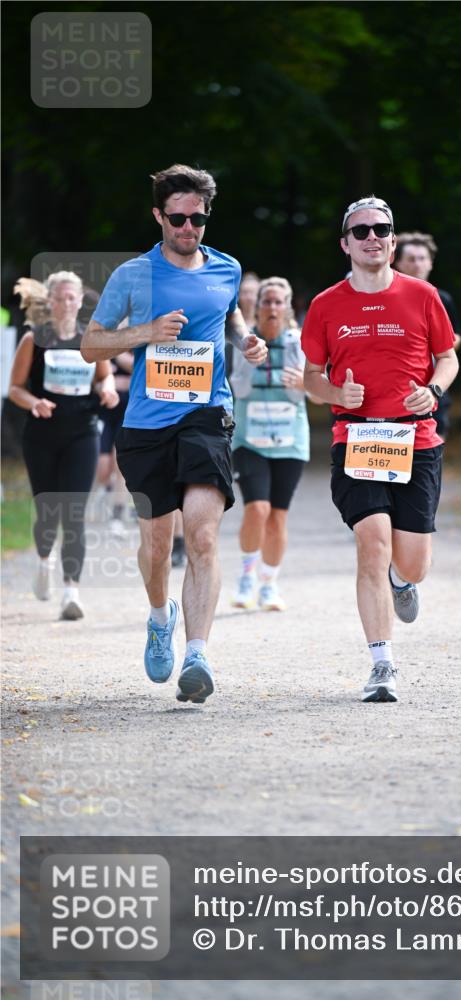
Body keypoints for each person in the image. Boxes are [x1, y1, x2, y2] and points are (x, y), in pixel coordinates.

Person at [81, 164, 267, 705]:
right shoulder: (134, 275)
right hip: (145, 424)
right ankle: (159, 617)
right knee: (157, 544)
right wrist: (145, 333)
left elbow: (230, 321)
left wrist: (247, 341)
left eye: (198, 218)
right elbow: (92, 345)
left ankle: (198, 653)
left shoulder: (228, 268)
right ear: (159, 216)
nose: (189, 228)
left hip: (207, 414)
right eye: (179, 218)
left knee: (203, 536)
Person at [302, 196, 458, 703]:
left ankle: (401, 578)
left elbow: (448, 358)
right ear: (346, 243)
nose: (373, 237)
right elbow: (310, 378)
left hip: (416, 438)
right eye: (361, 230)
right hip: (358, 438)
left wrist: (432, 390)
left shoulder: (423, 294)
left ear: (393, 239)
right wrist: (333, 394)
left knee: (412, 564)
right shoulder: (327, 305)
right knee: (371, 541)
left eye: (382, 229)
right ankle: (382, 664)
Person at [9, 272, 119, 619]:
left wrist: (108, 390)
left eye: (72, 297)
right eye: (60, 297)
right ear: (50, 301)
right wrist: (33, 403)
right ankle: (44, 561)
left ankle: (71, 591)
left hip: (82, 433)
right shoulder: (34, 339)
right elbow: (15, 388)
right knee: (48, 512)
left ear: (78, 301)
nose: (67, 303)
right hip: (41, 435)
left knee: (73, 514)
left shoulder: (91, 338)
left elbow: (105, 376)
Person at [230, 276, 322, 611]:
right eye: (266, 301)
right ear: (256, 306)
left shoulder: (301, 343)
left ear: (288, 307)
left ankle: (269, 584)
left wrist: (303, 382)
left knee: (278, 517)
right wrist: (249, 362)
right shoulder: (243, 342)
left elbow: (321, 395)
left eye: (278, 302)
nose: (272, 307)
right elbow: (233, 389)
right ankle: (246, 575)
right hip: (249, 438)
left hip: (290, 440)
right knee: (257, 508)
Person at [393, 231, 461, 440]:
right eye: (411, 259)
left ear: (431, 263)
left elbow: (456, 338)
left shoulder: (443, 299)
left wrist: (430, 346)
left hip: (433, 389)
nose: (417, 264)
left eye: (422, 258)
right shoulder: (387, 299)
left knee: (432, 457)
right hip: (396, 392)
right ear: (398, 263)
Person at [96, 349, 133, 537]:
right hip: (106, 409)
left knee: (120, 465)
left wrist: (117, 354)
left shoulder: (138, 344)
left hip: (128, 410)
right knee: (103, 469)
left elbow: (136, 367)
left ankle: (117, 516)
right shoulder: (104, 342)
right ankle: (107, 488)